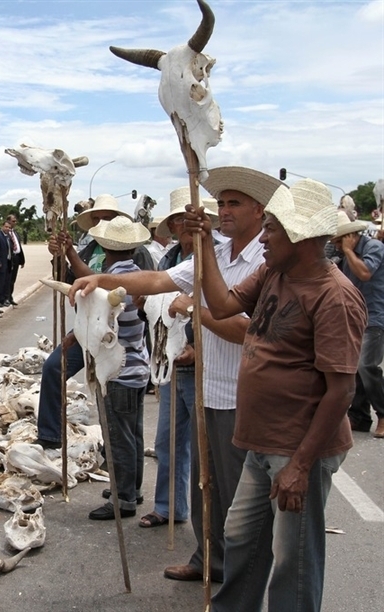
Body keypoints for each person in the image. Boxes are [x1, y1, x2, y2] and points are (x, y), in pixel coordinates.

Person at [68, 167, 278, 583]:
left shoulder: (265, 260)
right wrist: (101, 278)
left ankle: (239, 578)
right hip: (205, 388)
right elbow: (159, 280)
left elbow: (248, 330)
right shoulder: (214, 254)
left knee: (237, 495)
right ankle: (207, 559)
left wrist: (196, 311)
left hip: (240, 395)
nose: (226, 211)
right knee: (206, 484)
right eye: (223, 203)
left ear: (259, 210)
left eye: (235, 204)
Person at [188, 178, 365, 611]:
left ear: (301, 237)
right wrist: (204, 242)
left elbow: (341, 391)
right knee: (241, 537)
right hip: (262, 443)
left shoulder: (334, 297)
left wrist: (301, 466)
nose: (263, 238)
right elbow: (222, 304)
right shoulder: (274, 272)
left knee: (294, 560)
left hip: (297, 449)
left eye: (271, 229)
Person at [35, 213, 151, 520]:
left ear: (104, 246)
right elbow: (91, 281)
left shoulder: (113, 284)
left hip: (117, 370)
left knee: (118, 437)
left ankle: (123, 499)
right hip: (137, 368)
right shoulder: (134, 275)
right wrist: (70, 253)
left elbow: (95, 313)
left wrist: (75, 335)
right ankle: (131, 488)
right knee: (132, 433)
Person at [138, 188, 218, 529]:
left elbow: (227, 310)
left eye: (191, 219)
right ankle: (169, 507)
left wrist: (198, 348)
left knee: (207, 451)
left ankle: (211, 524)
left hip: (206, 367)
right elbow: (155, 307)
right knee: (167, 441)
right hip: (171, 364)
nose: (186, 226)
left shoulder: (215, 257)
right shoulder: (168, 260)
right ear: (171, 225)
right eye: (179, 220)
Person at [330, 211, 384, 437]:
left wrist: (349, 251)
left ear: (349, 237)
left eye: (338, 241)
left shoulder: (373, 248)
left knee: (366, 365)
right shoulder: (342, 255)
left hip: (375, 316)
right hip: (354, 316)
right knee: (354, 368)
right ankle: (359, 416)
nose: (335, 246)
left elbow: (364, 273)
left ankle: (383, 414)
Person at [6, 213, 26, 305]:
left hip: (17, 258)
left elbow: (19, 247)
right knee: (7, 279)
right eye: (13, 221)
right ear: (8, 221)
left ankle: (10, 296)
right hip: (10, 258)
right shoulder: (5, 234)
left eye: (15, 221)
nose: (15, 223)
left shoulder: (15, 233)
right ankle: (5, 297)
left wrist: (22, 260)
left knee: (13, 279)